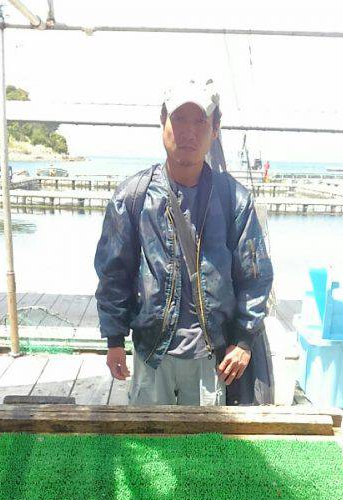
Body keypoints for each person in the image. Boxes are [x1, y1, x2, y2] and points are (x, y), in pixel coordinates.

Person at [94, 78, 274, 406]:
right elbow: (113, 274)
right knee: (149, 446)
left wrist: (244, 340)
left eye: (200, 121)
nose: (188, 131)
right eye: (178, 119)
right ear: (162, 123)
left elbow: (255, 276)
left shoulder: (234, 199)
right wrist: (114, 339)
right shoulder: (132, 197)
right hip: (152, 353)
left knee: (206, 451)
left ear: (215, 130)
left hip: (212, 357)